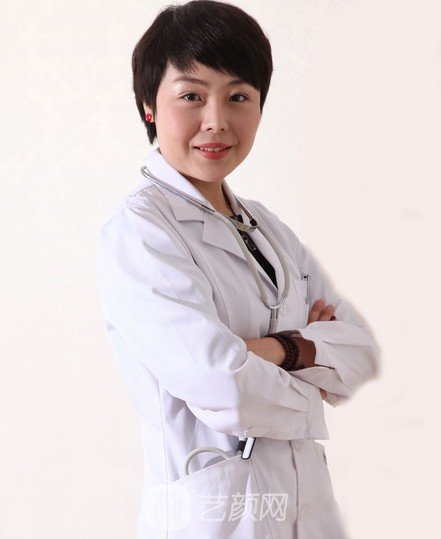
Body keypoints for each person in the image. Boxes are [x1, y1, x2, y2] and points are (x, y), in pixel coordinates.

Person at [97, 1, 380, 537]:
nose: (216, 121)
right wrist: (311, 354)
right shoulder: (139, 230)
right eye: (192, 96)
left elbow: (361, 353)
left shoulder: (267, 227)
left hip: (310, 511)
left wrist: (273, 350)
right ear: (149, 106)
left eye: (238, 97)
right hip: (216, 518)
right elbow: (221, 386)